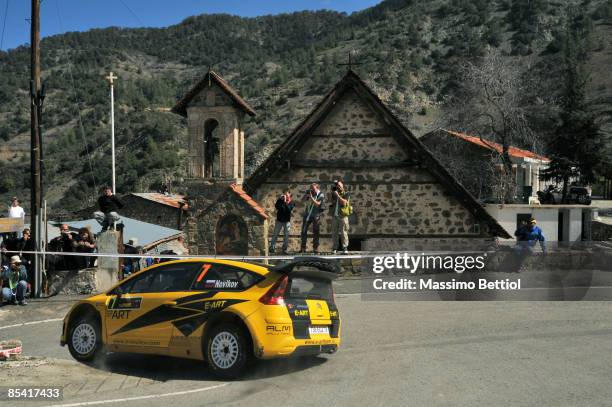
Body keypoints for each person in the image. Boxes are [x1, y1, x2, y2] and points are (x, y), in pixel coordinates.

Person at [300, 183, 325, 254]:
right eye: (311, 188)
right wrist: (306, 195)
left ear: (317, 188)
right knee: (303, 230)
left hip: (315, 215)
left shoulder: (321, 194)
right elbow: (302, 200)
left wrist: (311, 198)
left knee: (316, 231)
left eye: (313, 189)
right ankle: (303, 248)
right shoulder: (309, 193)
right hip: (307, 214)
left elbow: (318, 204)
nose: (312, 190)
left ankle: (315, 248)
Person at [330, 180, 352, 254]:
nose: (338, 187)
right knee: (334, 233)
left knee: (343, 232)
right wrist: (334, 194)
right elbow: (332, 202)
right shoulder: (334, 193)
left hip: (343, 216)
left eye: (339, 185)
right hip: (335, 215)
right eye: (337, 185)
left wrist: (338, 195)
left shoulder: (347, 193)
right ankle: (335, 248)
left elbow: (344, 202)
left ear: (343, 186)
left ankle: (345, 248)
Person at [270, 189, 295, 255]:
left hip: (286, 221)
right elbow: (277, 207)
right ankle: (272, 248)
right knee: (275, 234)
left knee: (286, 236)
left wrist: (285, 202)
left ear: (289, 194)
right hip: (279, 221)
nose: (285, 196)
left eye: (287, 195)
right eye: (284, 194)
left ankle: (284, 249)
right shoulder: (280, 200)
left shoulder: (291, 202)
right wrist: (281, 200)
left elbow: (288, 210)